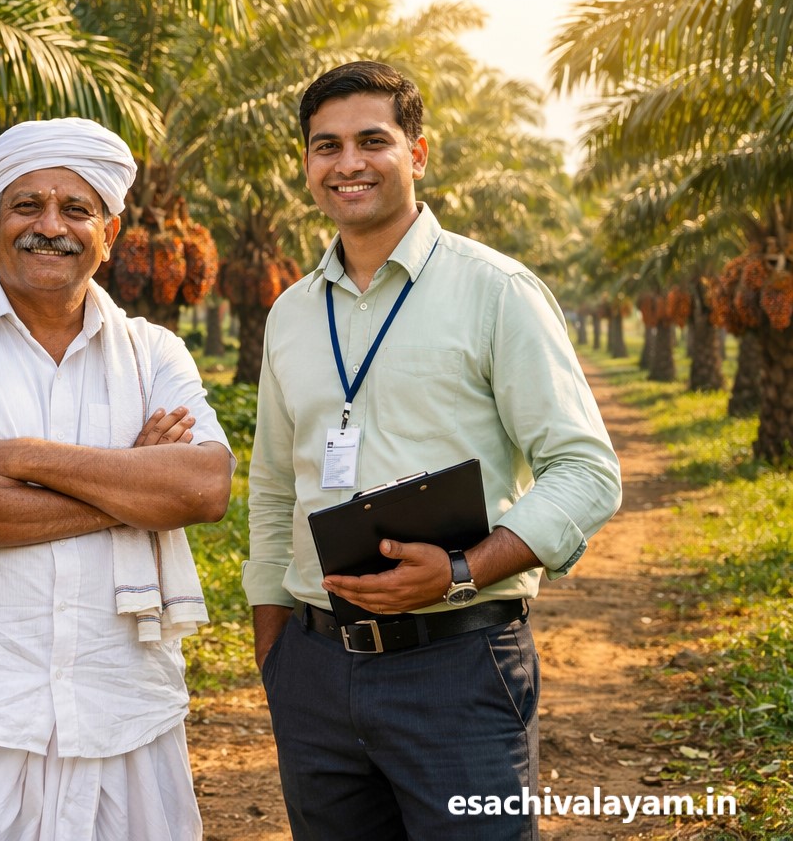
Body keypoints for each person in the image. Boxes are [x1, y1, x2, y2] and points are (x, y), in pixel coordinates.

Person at [244, 61, 622, 839]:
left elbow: (585, 470)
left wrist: (459, 573)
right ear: (307, 165)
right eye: (326, 146)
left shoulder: (495, 291)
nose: (347, 163)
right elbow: (275, 487)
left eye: (371, 140)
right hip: (315, 668)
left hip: (457, 664)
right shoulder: (290, 313)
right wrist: (276, 647)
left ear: (417, 153)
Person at [0, 117, 234, 840]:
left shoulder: (154, 352)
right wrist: (129, 486)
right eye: (27, 205)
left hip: (123, 707)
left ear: (111, 231)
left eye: (76, 209)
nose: (50, 226)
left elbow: (202, 490)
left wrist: (17, 456)